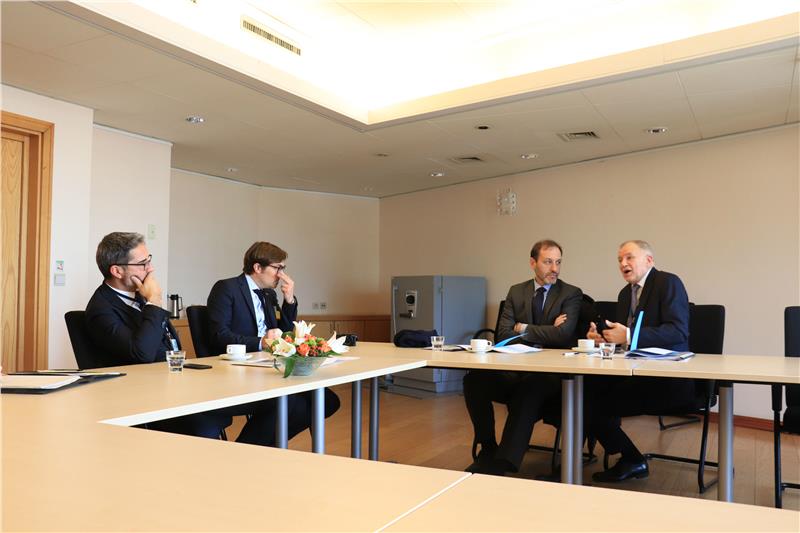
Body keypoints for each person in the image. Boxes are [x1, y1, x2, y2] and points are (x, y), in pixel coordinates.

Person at [85, 232, 278, 445]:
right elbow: (142, 353)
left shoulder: (139, 295)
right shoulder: (101, 309)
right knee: (207, 423)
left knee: (278, 403)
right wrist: (154, 301)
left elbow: (169, 344)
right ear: (117, 270)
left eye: (149, 260)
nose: (150, 268)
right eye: (142, 264)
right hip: (146, 397)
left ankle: (242, 456)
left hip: (179, 384)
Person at [463, 239, 583, 475]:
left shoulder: (571, 293)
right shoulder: (516, 291)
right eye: (548, 262)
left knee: (531, 386)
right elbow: (503, 334)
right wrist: (547, 329)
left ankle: (504, 462)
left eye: (558, 262)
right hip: (515, 368)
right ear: (532, 263)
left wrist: (523, 328)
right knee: (474, 380)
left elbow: (563, 335)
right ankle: (488, 448)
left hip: (550, 376)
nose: (555, 268)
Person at [207, 242, 340, 440]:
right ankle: (247, 448)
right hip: (240, 370)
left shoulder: (268, 294)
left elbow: (284, 333)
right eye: (277, 268)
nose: (281, 275)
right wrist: (261, 342)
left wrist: (289, 300)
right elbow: (219, 335)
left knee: (328, 401)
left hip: (269, 366)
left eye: (283, 269)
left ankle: (260, 444)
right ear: (257, 267)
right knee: (289, 401)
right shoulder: (227, 288)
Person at [586, 239, 691, 482]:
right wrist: (604, 340)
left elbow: (678, 331)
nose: (623, 263)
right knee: (583, 390)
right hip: (633, 372)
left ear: (649, 260)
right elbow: (626, 341)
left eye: (629, 257)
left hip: (666, 378)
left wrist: (629, 335)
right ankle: (627, 458)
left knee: (590, 402)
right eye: (619, 260)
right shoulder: (625, 294)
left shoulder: (668, 282)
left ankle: (631, 459)